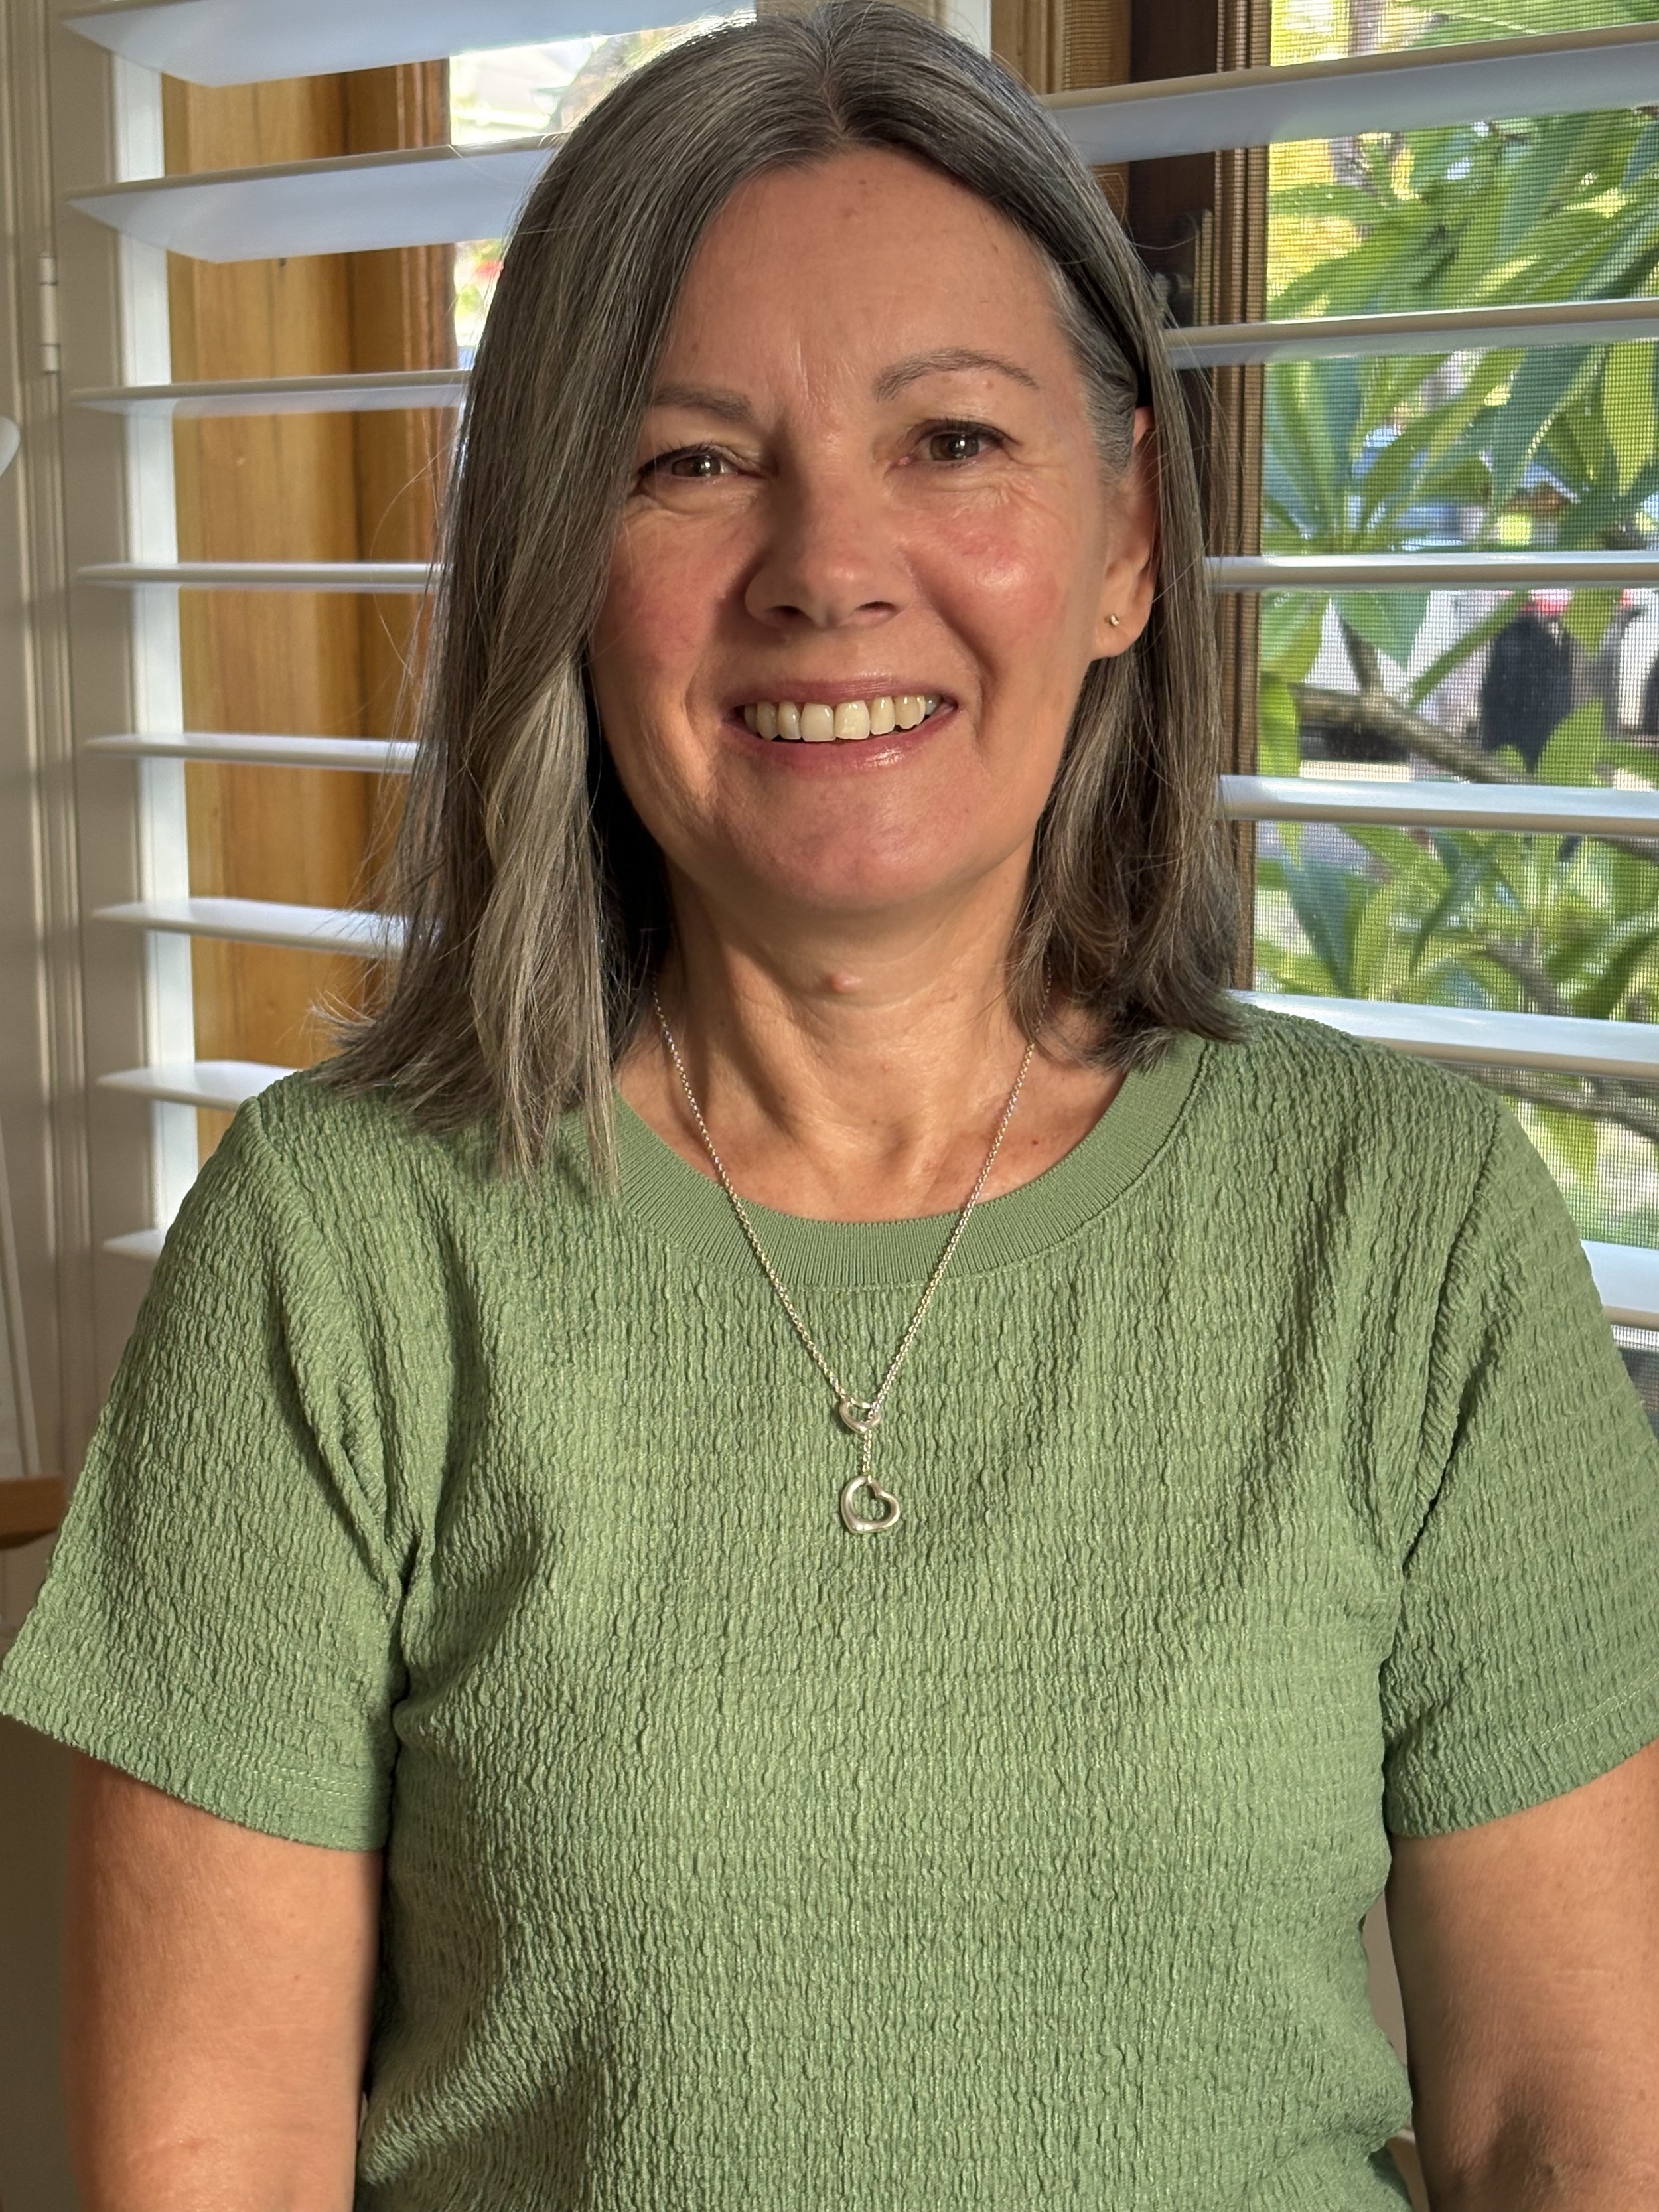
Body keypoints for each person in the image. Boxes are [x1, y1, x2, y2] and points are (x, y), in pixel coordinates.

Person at [5, 7, 1659, 2207]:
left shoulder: (1411, 1233)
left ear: (1122, 546)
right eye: (686, 462)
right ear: (555, 572)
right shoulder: (341, 1248)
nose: (825, 564)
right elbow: (204, 2173)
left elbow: (1575, 2133)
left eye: (953, 441)